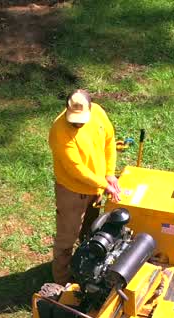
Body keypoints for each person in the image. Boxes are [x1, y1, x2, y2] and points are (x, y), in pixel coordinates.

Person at [47, 89, 120, 286]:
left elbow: (109, 142)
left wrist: (110, 174)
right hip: (72, 192)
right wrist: (105, 184)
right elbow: (76, 169)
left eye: (81, 119)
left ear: (90, 108)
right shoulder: (59, 131)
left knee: (92, 230)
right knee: (66, 239)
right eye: (73, 119)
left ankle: (88, 268)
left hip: (95, 189)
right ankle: (61, 282)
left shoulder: (98, 113)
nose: (77, 123)